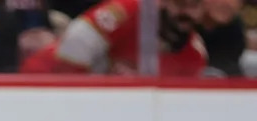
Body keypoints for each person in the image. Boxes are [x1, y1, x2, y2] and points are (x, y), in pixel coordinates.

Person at [20, 0, 208, 76]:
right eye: (181, 3)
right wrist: (105, 85)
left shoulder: (194, 52)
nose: (188, 14)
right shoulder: (125, 11)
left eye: (196, 6)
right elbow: (76, 42)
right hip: (42, 80)